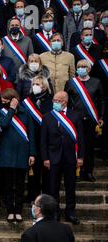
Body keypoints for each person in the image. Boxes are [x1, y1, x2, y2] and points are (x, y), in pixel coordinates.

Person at [41, 91, 84, 225]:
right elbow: (43, 140)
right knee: (53, 188)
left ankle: (70, 213)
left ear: (64, 101)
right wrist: (45, 158)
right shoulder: (47, 116)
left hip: (71, 157)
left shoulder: (75, 116)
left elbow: (81, 139)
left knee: (70, 187)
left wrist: (81, 157)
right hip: (53, 158)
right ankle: (55, 214)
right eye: (54, 100)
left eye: (57, 100)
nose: (54, 103)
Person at [0, 89, 36, 223]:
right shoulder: (1, 112)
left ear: (14, 100)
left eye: (5, 102)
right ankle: (10, 210)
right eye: (2, 102)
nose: (3, 104)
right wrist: (11, 110)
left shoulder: (26, 113)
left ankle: (18, 210)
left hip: (22, 153)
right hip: (6, 154)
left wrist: (32, 153)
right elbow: (3, 125)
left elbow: (31, 135)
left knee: (19, 185)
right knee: (8, 185)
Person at [64, 59, 104, 182]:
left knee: (89, 147)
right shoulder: (71, 83)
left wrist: (101, 117)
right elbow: (67, 101)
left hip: (91, 120)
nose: (81, 68)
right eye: (79, 66)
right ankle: (77, 172)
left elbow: (101, 101)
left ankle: (88, 172)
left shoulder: (96, 82)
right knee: (77, 146)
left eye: (84, 66)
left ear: (89, 68)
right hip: (76, 120)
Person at [27, 75, 53, 202]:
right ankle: (33, 196)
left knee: (47, 171)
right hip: (33, 139)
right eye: (34, 84)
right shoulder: (28, 100)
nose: (35, 86)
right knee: (33, 171)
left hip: (47, 140)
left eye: (38, 84)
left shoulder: (50, 100)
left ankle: (46, 197)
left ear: (44, 86)